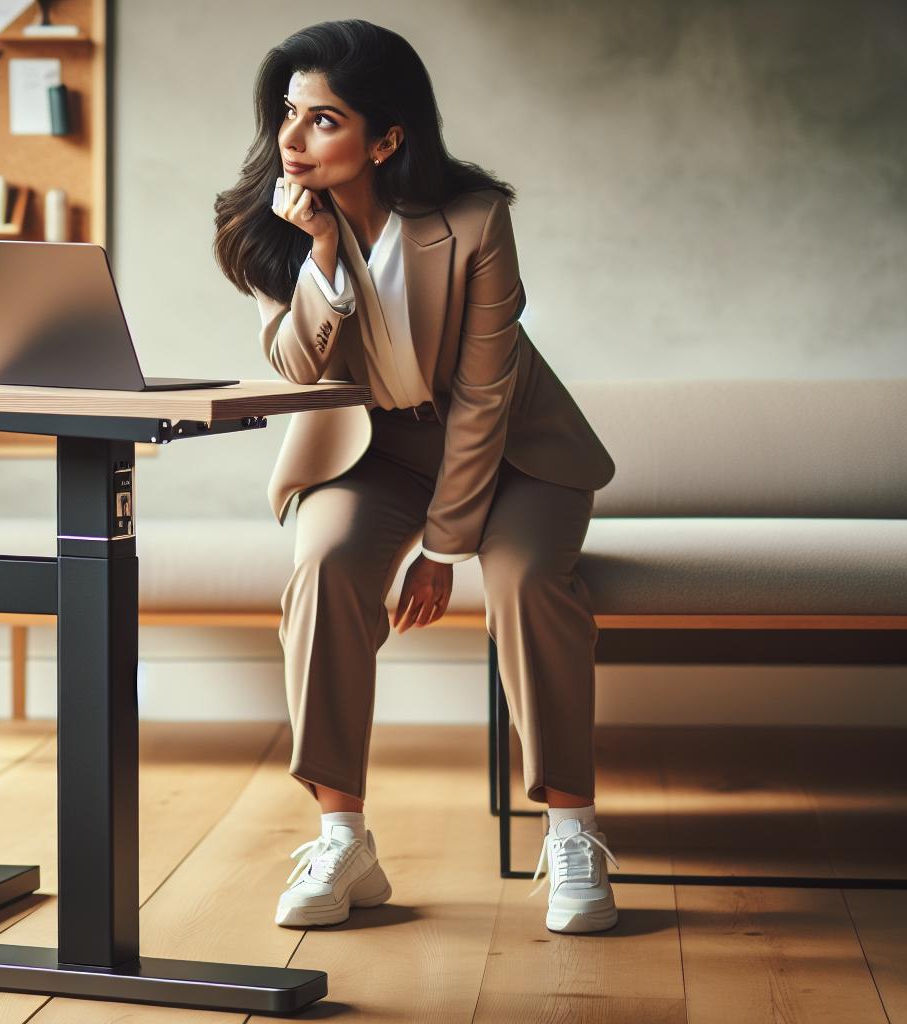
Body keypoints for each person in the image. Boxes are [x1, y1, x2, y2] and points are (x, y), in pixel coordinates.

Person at [212, 19, 622, 934]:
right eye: (289, 113)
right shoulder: (281, 222)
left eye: (323, 119)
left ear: (387, 136)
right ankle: (343, 838)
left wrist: (443, 550)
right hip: (376, 451)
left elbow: (483, 397)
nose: (291, 138)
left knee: (520, 579)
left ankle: (572, 830)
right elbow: (295, 370)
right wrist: (319, 258)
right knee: (323, 565)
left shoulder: (474, 221)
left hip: (518, 456)